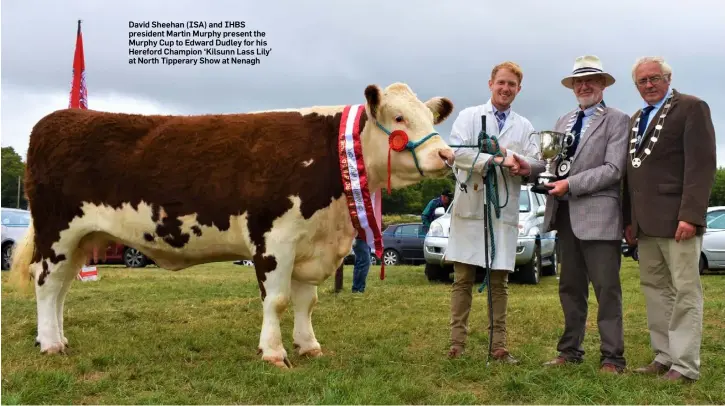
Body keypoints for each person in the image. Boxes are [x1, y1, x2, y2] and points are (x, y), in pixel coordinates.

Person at [516, 55, 630, 373]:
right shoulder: (563, 121)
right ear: (572, 87)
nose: (584, 85)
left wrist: (570, 184)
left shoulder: (618, 120)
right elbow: (550, 165)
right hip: (565, 217)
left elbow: (613, 169)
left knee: (606, 289)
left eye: (591, 80)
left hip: (600, 218)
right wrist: (528, 167)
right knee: (569, 288)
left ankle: (612, 357)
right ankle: (569, 350)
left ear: (603, 84)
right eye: (578, 81)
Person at [622, 56, 716, 382]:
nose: (648, 85)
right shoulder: (636, 118)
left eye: (654, 78)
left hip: (679, 222)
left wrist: (690, 215)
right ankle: (664, 355)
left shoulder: (692, 108)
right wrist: (629, 219)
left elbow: (701, 167)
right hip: (645, 225)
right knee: (655, 290)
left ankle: (686, 365)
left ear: (668, 77)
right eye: (642, 81)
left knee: (685, 291)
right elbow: (630, 175)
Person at [445, 61, 539, 363]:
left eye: (512, 84)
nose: (505, 88)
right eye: (501, 82)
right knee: (462, 279)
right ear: (490, 84)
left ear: (518, 89)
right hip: (470, 207)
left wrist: (514, 159)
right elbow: (456, 152)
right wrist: (496, 160)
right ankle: (457, 343)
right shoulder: (469, 117)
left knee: (500, 282)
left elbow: (536, 162)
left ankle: (499, 346)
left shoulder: (525, 126)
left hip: (503, 211)